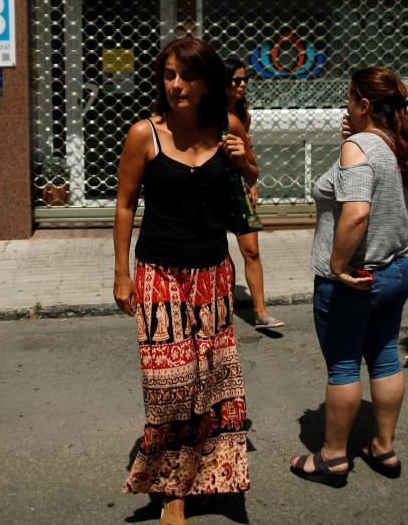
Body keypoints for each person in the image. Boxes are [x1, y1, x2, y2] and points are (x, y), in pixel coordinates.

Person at [114, 38, 257, 525]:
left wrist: (244, 159)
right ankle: (171, 489)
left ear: (207, 83)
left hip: (213, 275)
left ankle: (211, 475)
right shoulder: (144, 135)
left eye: (187, 76)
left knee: (212, 383)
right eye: (170, 75)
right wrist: (121, 273)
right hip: (158, 276)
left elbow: (249, 184)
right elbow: (125, 204)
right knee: (169, 385)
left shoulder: (227, 127)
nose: (177, 84)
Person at [289, 67, 408, 486]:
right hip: (398, 268)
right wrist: (353, 137)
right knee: (384, 356)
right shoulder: (399, 144)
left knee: (344, 365)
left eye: (349, 99)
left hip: (358, 277)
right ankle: (383, 447)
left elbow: (358, 211)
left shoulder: (360, 148)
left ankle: (332, 456)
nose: (345, 106)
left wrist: (335, 264)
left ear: (364, 105)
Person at [225, 58, 284, 329]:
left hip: (237, 185)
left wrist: (252, 184)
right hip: (210, 189)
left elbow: (249, 155)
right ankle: (221, 305)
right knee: (216, 253)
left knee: (251, 249)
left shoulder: (241, 117)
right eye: (236, 80)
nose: (242, 84)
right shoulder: (205, 117)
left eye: (244, 79)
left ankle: (260, 312)